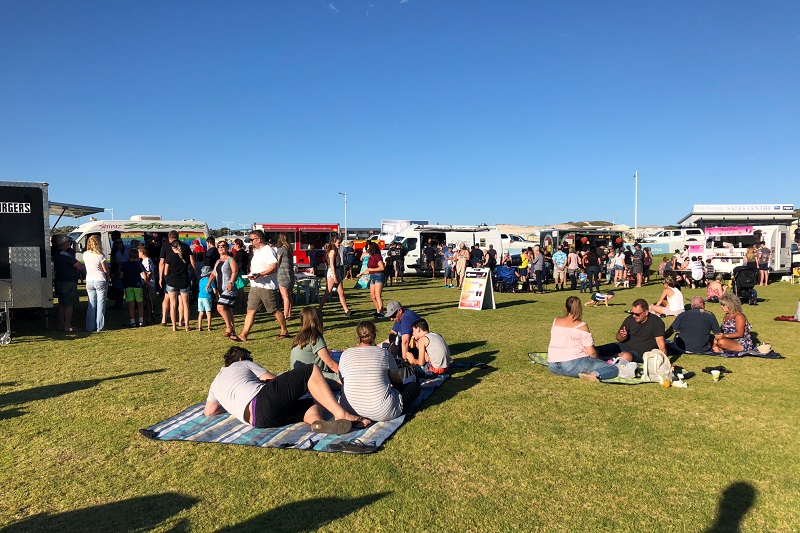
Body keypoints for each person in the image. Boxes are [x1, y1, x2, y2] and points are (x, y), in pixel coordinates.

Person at [203, 346, 367, 433]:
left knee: (311, 402)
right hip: (261, 401)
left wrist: (233, 402)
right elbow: (272, 379)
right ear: (241, 359)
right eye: (251, 359)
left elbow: (210, 411)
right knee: (311, 371)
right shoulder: (242, 364)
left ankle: (318, 423)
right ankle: (342, 414)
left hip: (259, 421)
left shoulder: (216, 382)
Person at [338, 321, 421, 422]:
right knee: (414, 387)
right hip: (382, 411)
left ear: (357, 336)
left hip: (350, 409)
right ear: (375, 335)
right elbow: (396, 381)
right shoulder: (384, 354)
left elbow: (343, 381)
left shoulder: (345, 354)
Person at [547, 296, 620, 383]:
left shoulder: (556, 321)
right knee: (612, 368)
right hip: (572, 365)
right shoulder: (581, 326)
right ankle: (593, 375)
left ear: (566, 309)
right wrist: (597, 359)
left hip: (552, 365)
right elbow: (591, 352)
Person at [240, 230, 289, 341]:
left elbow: (273, 267)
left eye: (252, 239)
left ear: (259, 239)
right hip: (255, 285)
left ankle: (284, 330)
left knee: (274, 310)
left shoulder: (268, 250)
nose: (251, 242)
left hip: (267, 286)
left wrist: (260, 274)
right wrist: (252, 273)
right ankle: (243, 335)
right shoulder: (256, 251)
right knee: (250, 310)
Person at [595, 298, 668, 363]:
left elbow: (661, 344)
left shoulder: (656, 322)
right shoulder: (630, 319)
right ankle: (603, 359)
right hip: (623, 346)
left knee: (625, 357)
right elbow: (619, 338)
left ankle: (604, 359)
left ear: (646, 312)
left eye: (637, 314)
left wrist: (666, 363)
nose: (634, 316)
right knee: (594, 350)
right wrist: (622, 336)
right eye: (632, 313)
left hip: (639, 353)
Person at [290, 307, 340, 389]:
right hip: (313, 377)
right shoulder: (315, 338)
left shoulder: (298, 338)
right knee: (348, 381)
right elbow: (331, 364)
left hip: (297, 377)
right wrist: (347, 374)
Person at [159, 231, 197, 327]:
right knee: (183, 302)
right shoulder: (185, 246)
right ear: (178, 237)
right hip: (184, 278)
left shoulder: (165, 247)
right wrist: (195, 273)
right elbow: (192, 261)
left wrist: (161, 277)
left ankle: (164, 319)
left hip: (171, 278)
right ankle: (181, 321)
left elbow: (162, 263)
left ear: (169, 238)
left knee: (168, 299)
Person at [53, 234, 85, 332]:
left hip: (59, 281)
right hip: (69, 281)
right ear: (64, 243)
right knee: (69, 304)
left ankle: (62, 324)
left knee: (62, 304)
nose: (69, 244)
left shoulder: (56, 253)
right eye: (68, 242)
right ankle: (68, 325)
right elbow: (78, 265)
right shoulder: (65, 254)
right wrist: (84, 271)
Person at [318, 237, 352, 316]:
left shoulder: (335, 250)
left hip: (336, 271)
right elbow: (332, 265)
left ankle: (346, 310)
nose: (339, 244)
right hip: (332, 272)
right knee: (328, 292)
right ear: (333, 243)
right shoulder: (332, 251)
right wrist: (335, 276)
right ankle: (319, 309)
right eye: (338, 242)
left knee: (341, 292)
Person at [83, 234, 110, 333]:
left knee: (91, 305)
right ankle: (100, 326)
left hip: (89, 280)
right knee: (101, 305)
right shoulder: (100, 255)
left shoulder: (85, 254)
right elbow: (105, 269)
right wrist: (108, 276)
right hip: (100, 279)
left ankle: (89, 327)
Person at [119, 248, 145, 327]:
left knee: (131, 304)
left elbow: (121, 275)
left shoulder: (125, 264)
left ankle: (132, 321)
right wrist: (147, 282)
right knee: (140, 303)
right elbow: (144, 274)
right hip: (138, 285)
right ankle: (141, 320)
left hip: (128, 285)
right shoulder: (139, 264)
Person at [275, 233, 295, 321]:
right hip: (290, 274)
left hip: (283, 275)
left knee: (285, 296)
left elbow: (277, 262)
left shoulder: (281, 249)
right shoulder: (290, 249)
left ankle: (285, 315)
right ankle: (289, 313)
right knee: (289, 296)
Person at [363, 241, 385, 318]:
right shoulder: (371, 257)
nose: (367, 248)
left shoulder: (377, 256)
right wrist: (362, 274)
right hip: (372, 276)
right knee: (372, 296)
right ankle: (378, 310)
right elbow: (369, 269)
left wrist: (371, 269)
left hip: (379, 276)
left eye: (368, 247)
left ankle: (381, 312)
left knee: (377, 295)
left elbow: (382, 267)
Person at [138, 245, 157, 325]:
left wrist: (147, 282)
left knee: (149, 301)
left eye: (139, 252)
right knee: (147, 300)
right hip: (146, 283)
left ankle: (151, 317)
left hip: (148, 284)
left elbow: (149, 272)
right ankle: (149, 316)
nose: (138, 254)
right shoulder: (144, 261)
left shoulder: (147, 261)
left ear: (142, 253)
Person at [197, 265, 216, 332]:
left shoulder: (201, 280)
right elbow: (214, 290)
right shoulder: (211, 280)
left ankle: (200, 327)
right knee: (208, 312)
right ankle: (209, 327)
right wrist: (216, 296)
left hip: (200, 297)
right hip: (207, 297)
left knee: (201, 312)